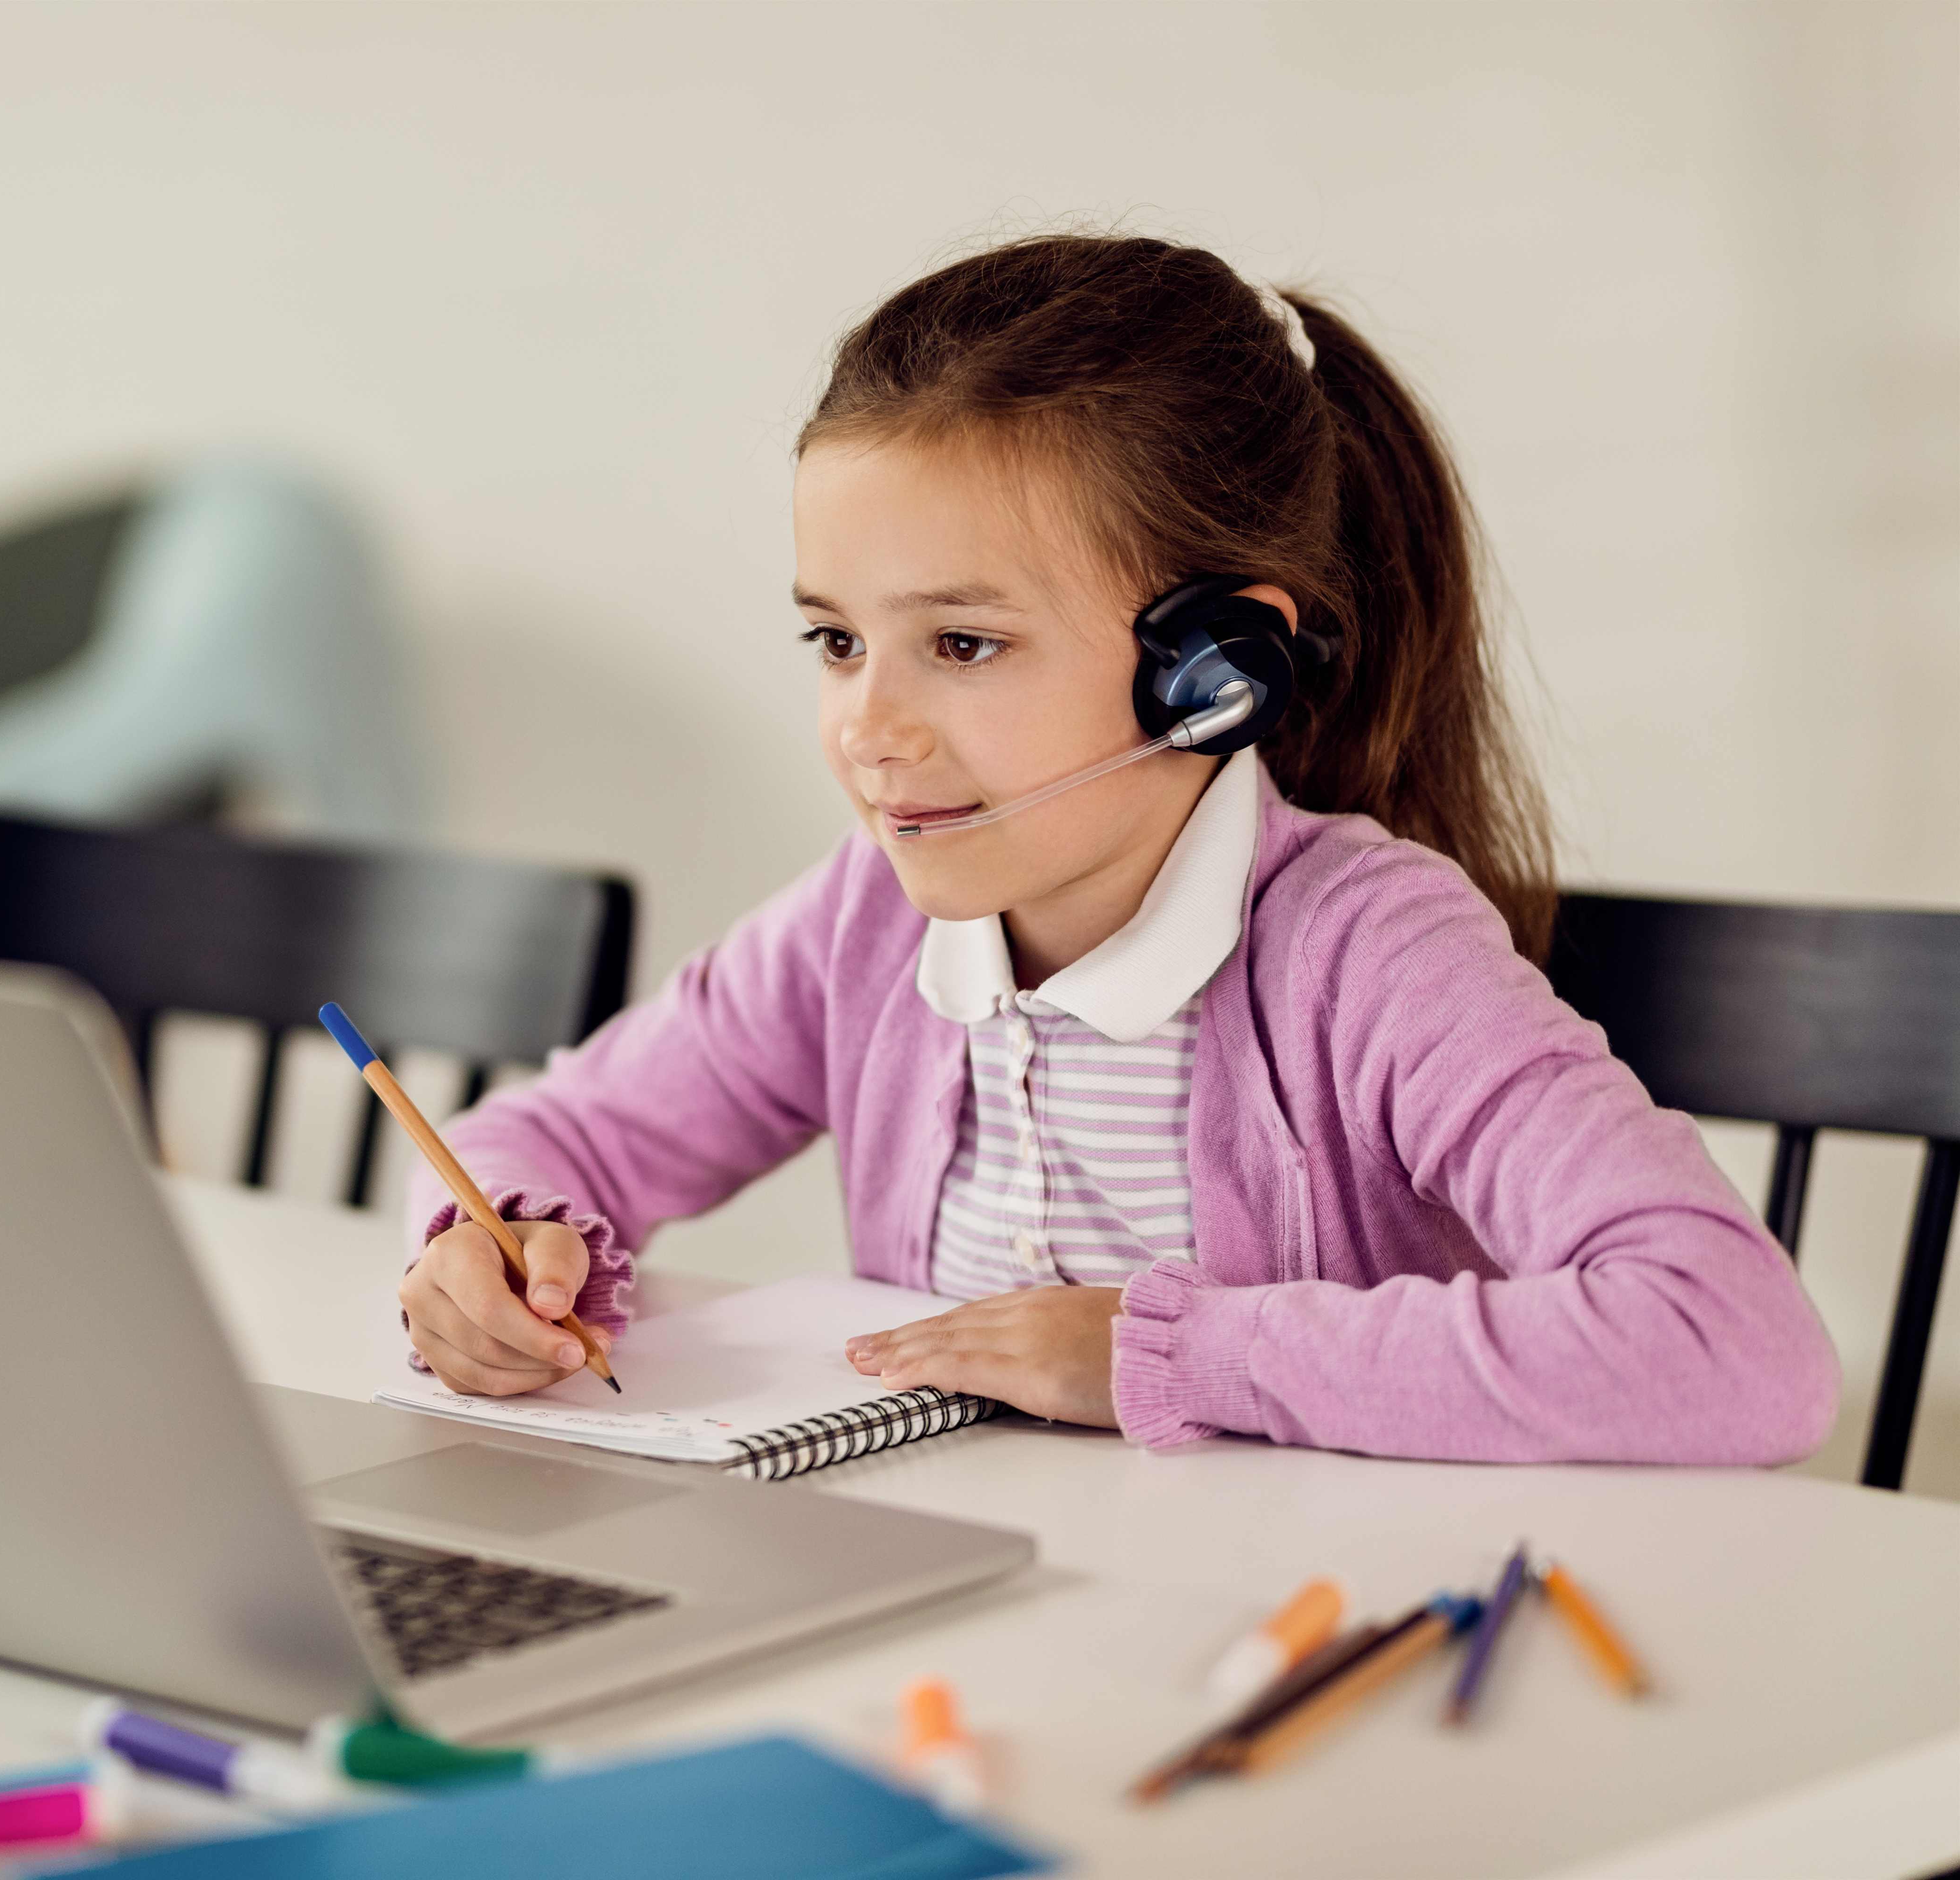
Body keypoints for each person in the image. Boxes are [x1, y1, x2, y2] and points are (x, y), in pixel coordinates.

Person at [396, 232, 1840, 1464]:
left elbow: (1738, 1343)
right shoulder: (864, 927)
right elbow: (555, 1136)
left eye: (963, 644)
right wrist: (495, 1248)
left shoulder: (1371, 955)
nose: (868, 728)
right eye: (836, 641)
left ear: (1218, 674)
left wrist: (1176, 1358)